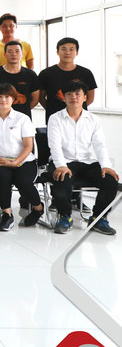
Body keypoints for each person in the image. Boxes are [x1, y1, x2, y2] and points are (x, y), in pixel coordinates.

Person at [47, 81, 118, 235]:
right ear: (63, 98)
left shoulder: (93, 119)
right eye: (69, 94)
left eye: (77, 94)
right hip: (63, 161)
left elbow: (100, 145)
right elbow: (54, 145)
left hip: (86, 162)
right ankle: (65, 217)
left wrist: (106, 165)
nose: (74, 97)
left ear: (85, 97)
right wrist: (61, 165)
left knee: (110, 181)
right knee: (61, 180)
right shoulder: (55, 118)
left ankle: (98, 218)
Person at [0, 84, 45, 231]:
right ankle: (7, 214)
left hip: (24, 160)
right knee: (2, 178)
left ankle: (38, 208)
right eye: (0, 96)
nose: (3, 100)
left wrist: (16, 162)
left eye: (7, 97)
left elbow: (28, 146)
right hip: (0, 160)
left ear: (13, 99)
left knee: (23, 181)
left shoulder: (22, 119)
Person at [38, 37, 97, 122]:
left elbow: (90, 98)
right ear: (57, 52)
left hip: (80, 119)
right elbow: (41, 98)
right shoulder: (46, 73)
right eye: (63, 49)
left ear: (77, 52)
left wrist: (75, 109)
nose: (67, 52)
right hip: (55, 119)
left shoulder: (86, 73)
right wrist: (52, 109)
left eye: (71, 49)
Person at [0, 41, 39, 117]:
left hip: (23, 117)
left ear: (22, 54)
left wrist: (21, 112)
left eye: (17, 51)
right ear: (5, 54)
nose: (14, 54)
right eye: (10, 51)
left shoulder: (31, 75)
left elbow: (35, 100)